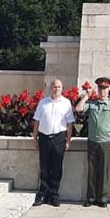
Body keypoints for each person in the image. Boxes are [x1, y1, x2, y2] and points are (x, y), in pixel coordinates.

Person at [75, 76, 110, 207]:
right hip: (92, 141)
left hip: (106, 142)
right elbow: (78, 109)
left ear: (109, 89)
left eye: (105, 88)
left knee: (103, 171)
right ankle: (90, 198)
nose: (102, 91)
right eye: (100, 88)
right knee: (92, 170)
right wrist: (86, 96)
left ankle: (102, 199)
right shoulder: (92, 104)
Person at [31, 78, 76, 206]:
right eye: (54, 86)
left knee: (57, 168)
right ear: (51, 88)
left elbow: (69, 124)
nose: (56, 89)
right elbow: (37, 121)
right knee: (44, 167)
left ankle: (54, 195)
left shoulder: (66, 103)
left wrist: (68, 140)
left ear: (62, 89)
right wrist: (35, 138)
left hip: (59, 138)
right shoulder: (43, 102)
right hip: (44, 137)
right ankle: (42, 194)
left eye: (59, 87)